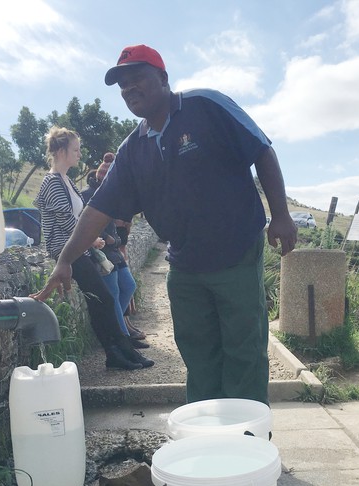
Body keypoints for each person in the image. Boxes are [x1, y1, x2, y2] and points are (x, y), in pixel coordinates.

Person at [32, 44, 298, 405]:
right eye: (123, 86)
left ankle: (249, 442)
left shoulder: (206, 105)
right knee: (199, 356)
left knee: (243, 351)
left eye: (138, 78)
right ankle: (209, 443)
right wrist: (65, 259)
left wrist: (280, 215)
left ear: (163, 78)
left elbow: (261, 149)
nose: (130, 90)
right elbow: (99, 208)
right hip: (185, 265)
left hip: (235, 252)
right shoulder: (133, 150)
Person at [33, 125, 153, 370]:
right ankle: (118, 353)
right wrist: (92, 239)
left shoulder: (66, 181)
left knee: (103, 299)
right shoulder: (53, 182)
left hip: (78, 249)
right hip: (65, 250)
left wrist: (90, 239)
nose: (79, 154)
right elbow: (67, 221)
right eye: (75, 149)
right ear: (61, 151)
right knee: (104, 299)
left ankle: (122, 352)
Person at [83, 166, 147, 349]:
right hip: (102, 251)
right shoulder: (89, 194)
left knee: (128, 286)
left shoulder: (107, 193)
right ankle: (123, 338)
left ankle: (115, 327)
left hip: (114, 250)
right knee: (114, 294)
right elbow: (84, 220)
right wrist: (104, 235)